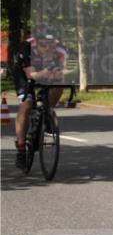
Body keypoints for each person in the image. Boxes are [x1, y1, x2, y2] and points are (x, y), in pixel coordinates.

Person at [13, 26, 66, 170]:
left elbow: (64, 73)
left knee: (59, 84)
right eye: (43, 44)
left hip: (45, 72)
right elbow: (31, 75)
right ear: (36, 42)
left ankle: (47, 111)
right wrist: (48, 71)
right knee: (26, 105)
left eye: (51, 44)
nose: (48, 47)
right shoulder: (26, 48)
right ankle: (21, 148)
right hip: (25, 74)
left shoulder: (60, 51)